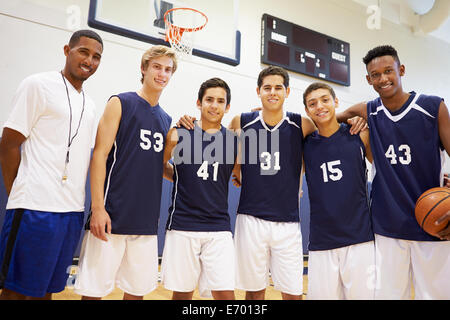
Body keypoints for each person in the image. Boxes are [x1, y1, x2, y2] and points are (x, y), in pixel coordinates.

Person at [336, 45, 450, 299]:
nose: (383, 79)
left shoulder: (433, 107)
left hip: (433, 223)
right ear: (368, 79)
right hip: (387, 226)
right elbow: (331, 120)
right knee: (387, 295)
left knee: (436, 296)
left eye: (388, 71)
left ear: (401, 70)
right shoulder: (369, 110)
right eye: (375, 75)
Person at [0, 29, 103, 300]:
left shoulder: (90, 104)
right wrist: (19, 194)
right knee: (16, 290)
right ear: (67, 51)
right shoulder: (38, 84)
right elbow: (9, 145)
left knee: (48, 289)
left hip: (70, 212)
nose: (89, 60)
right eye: (83, 51)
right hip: (34, 208)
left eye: (96, 57)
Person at [73, 45, 177, 300]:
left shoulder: (166, 119)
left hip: (145, 222)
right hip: (111, 217)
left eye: (168, 70)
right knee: (93, 292)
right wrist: (98, 208)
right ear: (143, 69)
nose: (162, 74)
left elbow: (159, 167)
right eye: (157, 67)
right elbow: (99, 156)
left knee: (137, 292)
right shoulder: (120, 102)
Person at [160, 77, 239, 300]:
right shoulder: (179, 133)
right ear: (199, 103)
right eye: (209, 100)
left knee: (225, 294)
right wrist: (179, 178)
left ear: (227, 107)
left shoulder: (234, 141)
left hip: (219, 227)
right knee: (182, 293)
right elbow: (160, 166)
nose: (214, 105)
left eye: (220, 101)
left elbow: (240, 176)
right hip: (183, 225)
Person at [302, 82, 375, 299]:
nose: (320, 106)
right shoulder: (305, 144)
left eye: (325, 100)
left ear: (336, 101)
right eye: (312, 103)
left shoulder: (359, 134)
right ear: (307, 111)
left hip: (360, 239)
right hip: (322, 242)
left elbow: (388, 171)